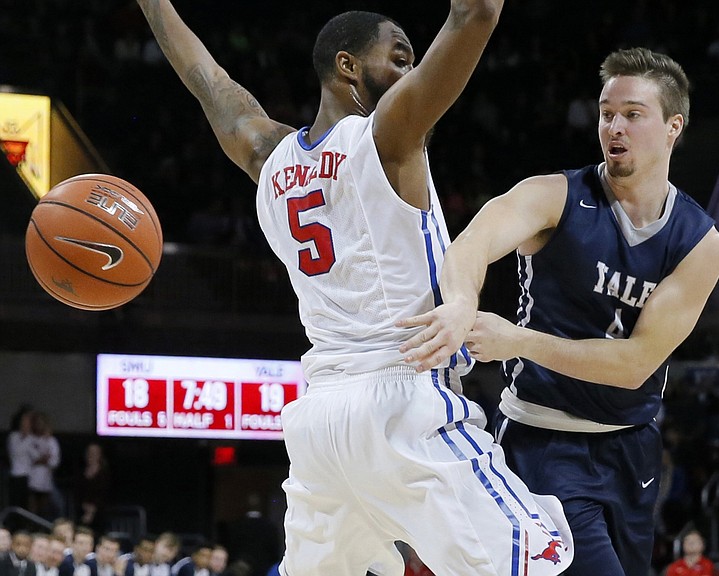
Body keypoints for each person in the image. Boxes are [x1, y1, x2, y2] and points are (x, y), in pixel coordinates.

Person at [134, 1, 574, 575]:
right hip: (403, 403)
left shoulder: (269, 158)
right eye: (398, 58)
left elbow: (206, 80)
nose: (410, 73)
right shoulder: (387, 137)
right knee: (540, 557)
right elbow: (476, 15)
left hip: (319, 425)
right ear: (347, 66)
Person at [399, 46, 719, 576]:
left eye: (632, 115)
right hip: (542, 442)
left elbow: (634, 364)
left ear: (673, 127)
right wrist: (461, 302)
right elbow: (472, 242)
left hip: (633, 448)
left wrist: (520, 341)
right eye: (606, 113)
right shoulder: (554, 196)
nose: (613, 126)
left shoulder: (700, 243)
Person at [27, 412, 61, 520]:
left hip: (46, 482)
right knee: (31, 510)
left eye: (41, 422)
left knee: (45, 510)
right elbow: (32, 458)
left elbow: (54, 461)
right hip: (31, 481)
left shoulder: (52, 441)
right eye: (37, 422)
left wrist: (43, 460)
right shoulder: (30, 439)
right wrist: (43, 458)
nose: (39, 425)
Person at [73, 444, 111, 534]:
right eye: (89, 453)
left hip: (99, 513)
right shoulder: (80, 473)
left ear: (100, 455)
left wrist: (92, 510)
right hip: (81, 511)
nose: (91, 455)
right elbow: (77, 493)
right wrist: (84, 507)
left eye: (94, 453)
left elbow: (104, 493)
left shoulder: (105, 473)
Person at [6, 405, 34, 519]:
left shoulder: (32, 438)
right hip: (16, 475)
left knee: (27, 505)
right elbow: (16, 452)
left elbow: (36, 455)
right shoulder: (13, 436)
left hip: (28, 476)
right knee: (15, 504)